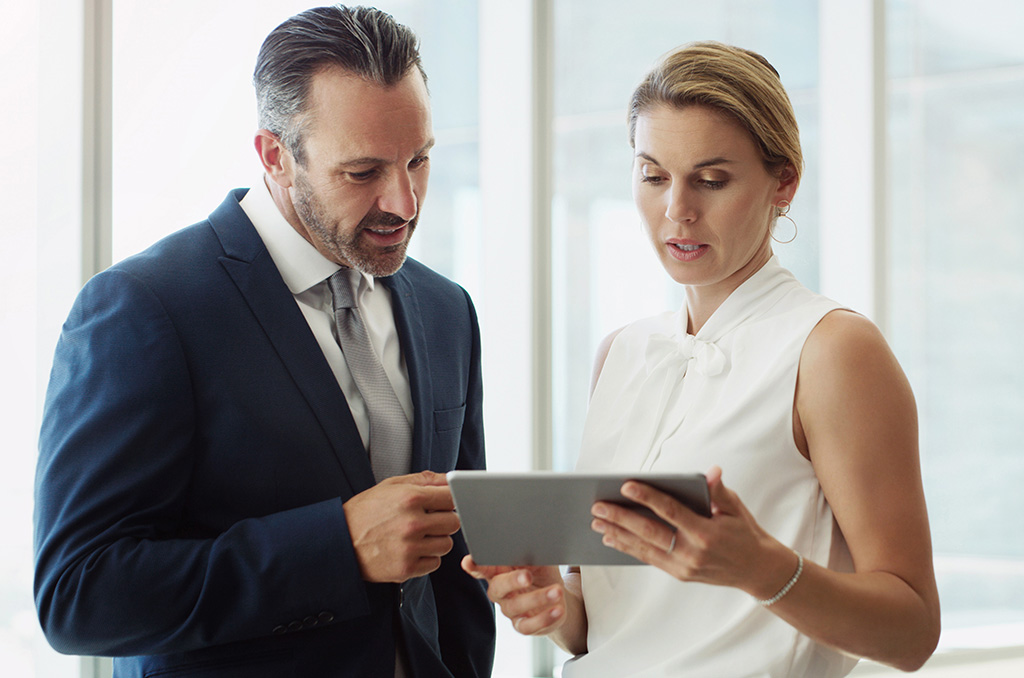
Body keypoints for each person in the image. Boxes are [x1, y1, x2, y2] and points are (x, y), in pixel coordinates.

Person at [34, 5, 494, 677]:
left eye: (418, 160)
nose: (405, 202)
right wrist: (339, 548)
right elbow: (79, 595)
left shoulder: (445, 308)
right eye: (363, 172)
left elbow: (455, 561)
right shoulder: (146, 308)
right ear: (275, 156)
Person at [464, 41, 940, 677]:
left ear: (784, 181)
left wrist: (759, 567)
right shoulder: (621, 353)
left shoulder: (833, 351)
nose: (677, 210)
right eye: (653, 175)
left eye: (712, 180)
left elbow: (911, 633)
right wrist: (555, 606)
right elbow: (604, 628)